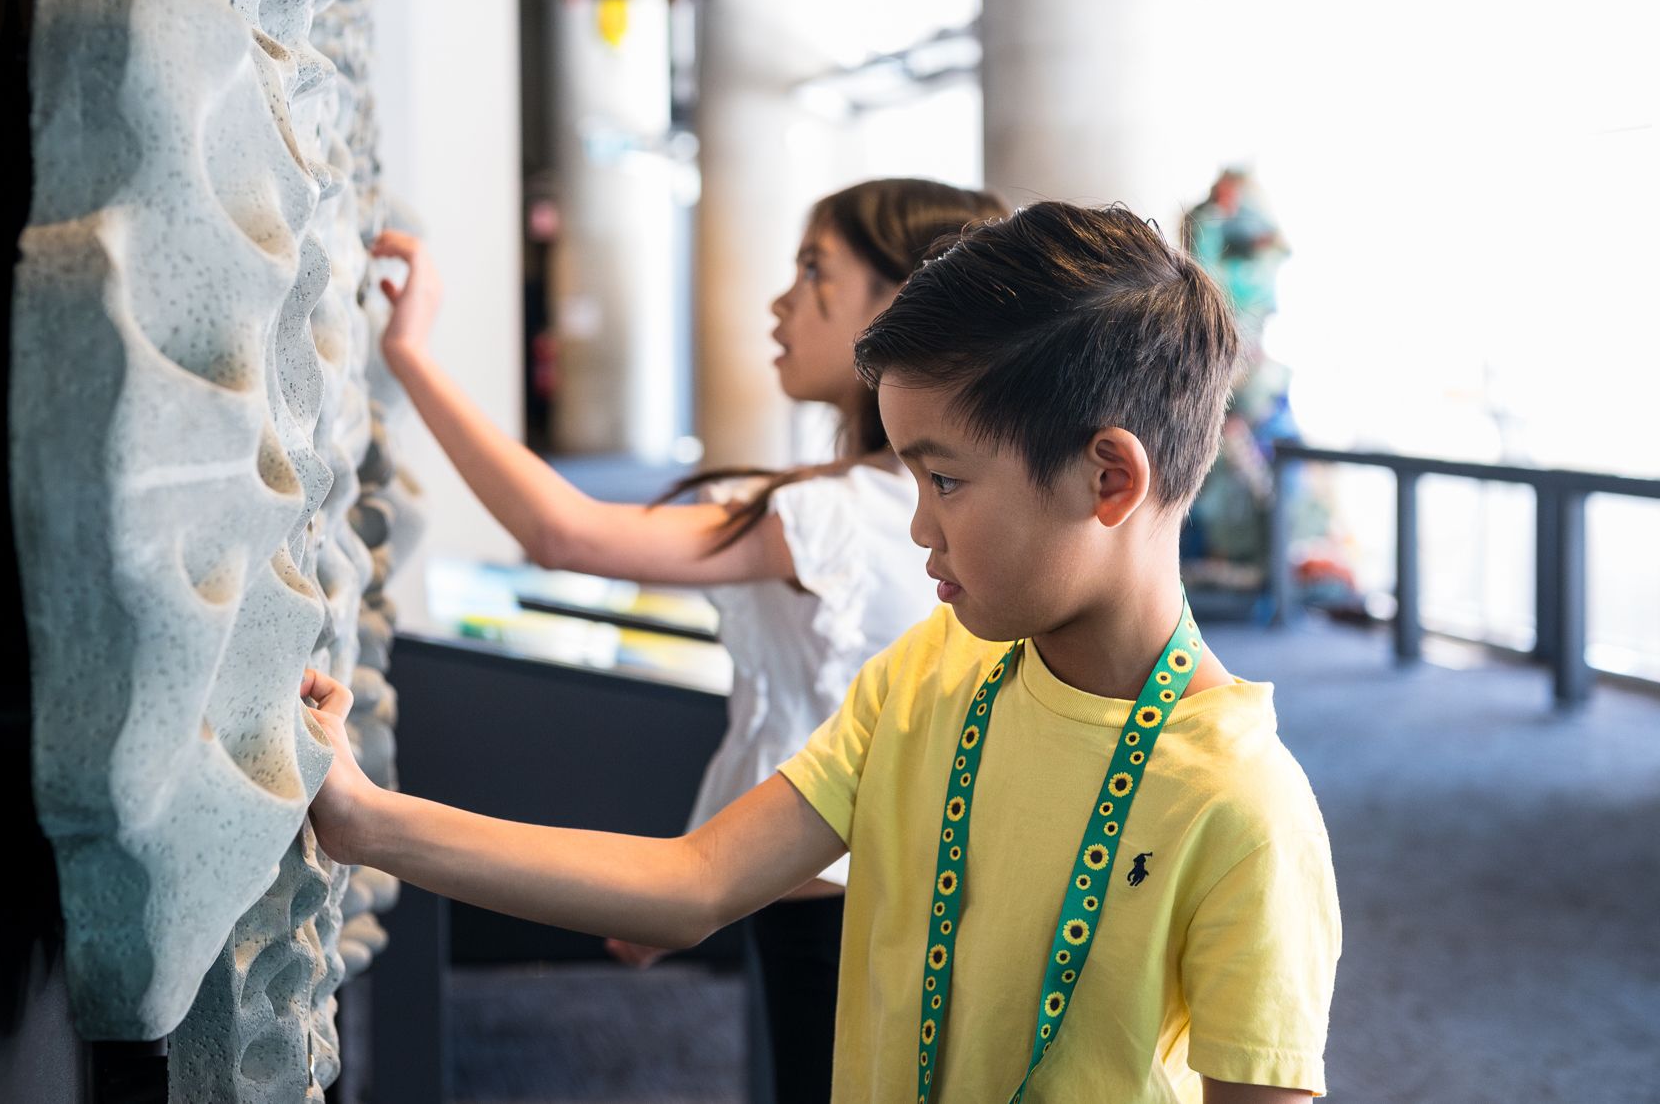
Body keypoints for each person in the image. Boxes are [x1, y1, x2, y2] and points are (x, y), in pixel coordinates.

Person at [312, 202, 1340, 1102]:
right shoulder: (924, 675)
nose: (916, 527)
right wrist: (370, 821)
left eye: (943, 481)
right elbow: (693, 878)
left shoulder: (1239, 806)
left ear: (1106, 478)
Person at [367, 177, 1010, 1102]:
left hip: (834, 914)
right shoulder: (868, 503)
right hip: (844, 896)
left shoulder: (829, 515)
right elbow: (790, 722)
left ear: (901, 302)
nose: (780, 302)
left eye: (813, 273)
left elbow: (566, 534)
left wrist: (413, 354)